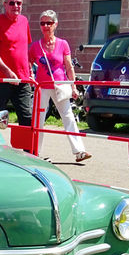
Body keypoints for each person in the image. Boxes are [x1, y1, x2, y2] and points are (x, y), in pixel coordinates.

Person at [29, 10, 91, 162]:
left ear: (55, 24)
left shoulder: (63, 44)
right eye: (42, 23)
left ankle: (79, 151)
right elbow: (28, 62)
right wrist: (31, 76)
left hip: (61, 85)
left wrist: (73, 86)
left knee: (68, 117)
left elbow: (69, 66)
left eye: (48, 23)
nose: (45, 26)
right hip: (42, 87)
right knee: (39, 119)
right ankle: (35, 152)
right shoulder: (35, 46)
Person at [0, 0, 33, 128]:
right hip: (1, 80)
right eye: (12, 3)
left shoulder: (24, 21)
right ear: (5, 4)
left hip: (22, 80)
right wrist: (8, 72)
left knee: (27, 117)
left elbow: (24, 49)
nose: (16, 6)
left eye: (19, 3)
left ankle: (27, 149)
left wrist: (30, 70)